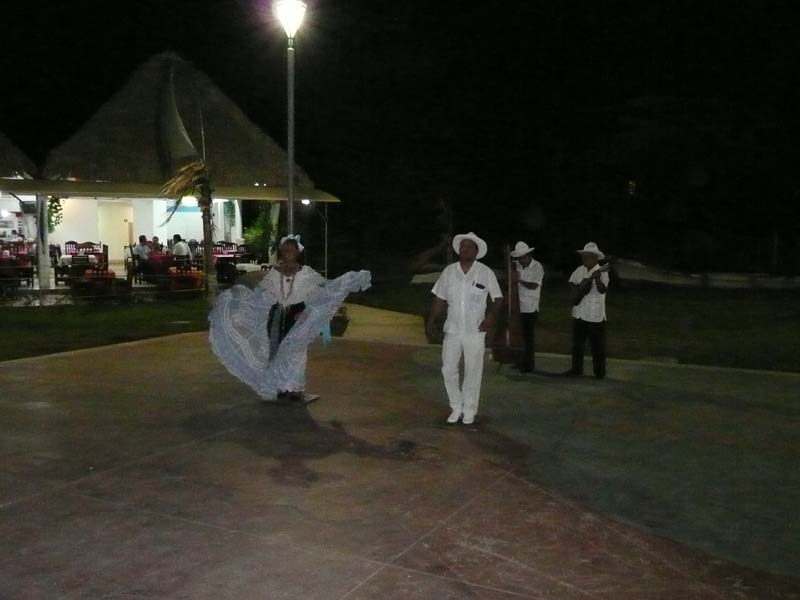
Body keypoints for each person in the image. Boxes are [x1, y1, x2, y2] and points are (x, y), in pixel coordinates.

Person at [208, 235, 371, 402]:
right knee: (278, 351)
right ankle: (280, 386)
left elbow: (324, 288)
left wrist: (347, 282)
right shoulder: (273, 273)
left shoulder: (307, 273)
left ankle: (294, 387)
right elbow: (263, 293)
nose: (288, 252)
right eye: (285, 249)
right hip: (277, 316)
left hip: (298, 315)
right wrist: (242, 300)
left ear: (297, 251)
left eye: (291, 249)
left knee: (296, 351)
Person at [427, 232, 503, 425]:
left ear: (476, 252)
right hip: (453, 329)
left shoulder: (485, 272)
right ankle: (456, 406)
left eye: (470, 247)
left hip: (475, 330)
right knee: (448, 368)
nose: (465, 249)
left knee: (473, 370)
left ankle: (469, 409)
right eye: (463, 246)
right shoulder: (449, 271)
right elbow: (439, 298)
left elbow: (498, 298)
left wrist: (491, 317)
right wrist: (431, 320)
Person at [566, 242, 610, 379]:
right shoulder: (579, 270)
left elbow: (603, 290)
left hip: (594, 315)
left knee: (597, 346)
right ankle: (576, 369)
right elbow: (572, 284)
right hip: (579, 312)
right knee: (577, 345)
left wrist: (596, 279)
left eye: (588, 257)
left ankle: (599, 373)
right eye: (584, 256)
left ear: (595, 258)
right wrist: (579, 288)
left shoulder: (602, 271)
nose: (585, 259)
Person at [510, 241, 544, 373]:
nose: (520, 260)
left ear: (528, 255)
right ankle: (520, 361)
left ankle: (529, 364)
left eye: (522, 257)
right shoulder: (517, 265)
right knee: (519, 336)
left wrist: (519, 280)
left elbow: (534, 285)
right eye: (519, 257)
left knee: (528, 337)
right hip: (518, 306)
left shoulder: (537, 267)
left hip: (530, 307)